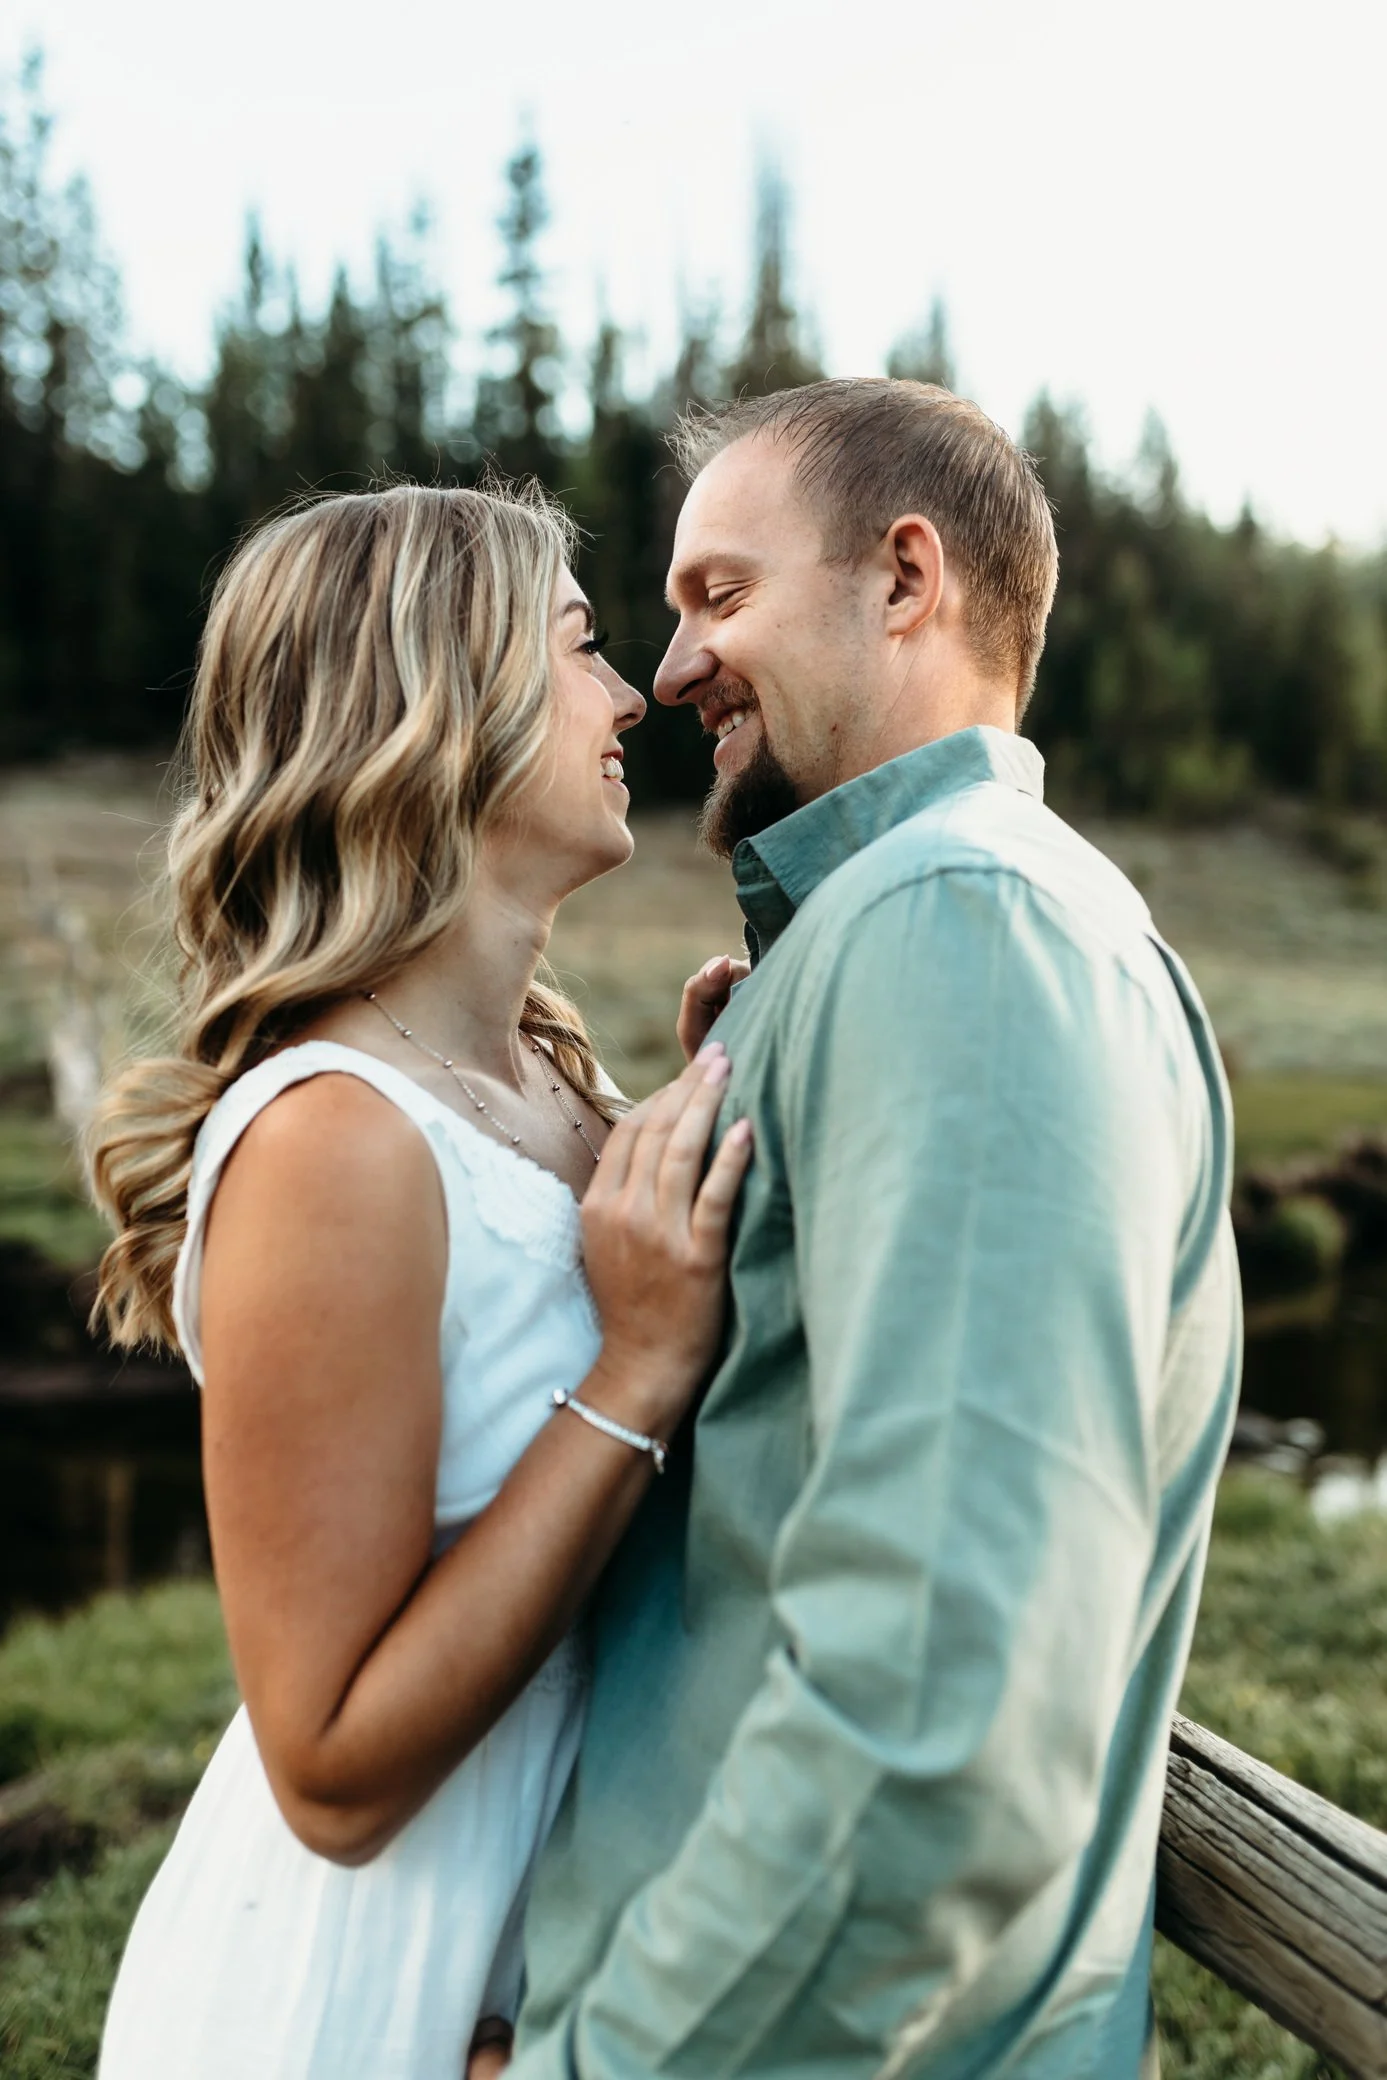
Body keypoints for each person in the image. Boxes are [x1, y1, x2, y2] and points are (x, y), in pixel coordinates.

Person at [510, 380, 1241, 2079]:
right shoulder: (879, 944)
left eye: (719, 596)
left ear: (905, 581)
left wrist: (597, 2063)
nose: (671, 667)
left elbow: (935, 1719)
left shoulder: (965, 929)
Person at [90, 481, 752, 2080]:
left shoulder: (545, 1081)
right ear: (433, 704)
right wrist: (637, 1370)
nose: (629, 696)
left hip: (546, 1960)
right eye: (582, 648)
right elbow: (327, 1769)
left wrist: (690, 1120)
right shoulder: (335, 1139)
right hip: (363, 1988)